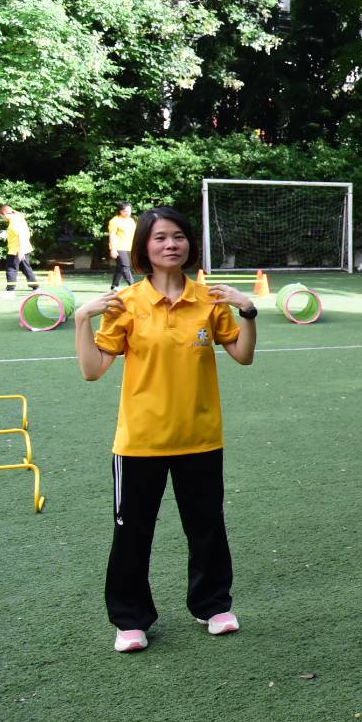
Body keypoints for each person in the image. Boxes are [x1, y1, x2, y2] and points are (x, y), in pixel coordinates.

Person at [73, 206, 257, 653]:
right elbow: (93, 370)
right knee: (132, 534)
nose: (171, 244)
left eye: (178, 236)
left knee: (207, 528)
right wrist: (82, 318)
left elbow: (243, 355)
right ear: (144, 247)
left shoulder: (209, 299)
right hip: (140, 442)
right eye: (160, 238)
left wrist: (248, 311)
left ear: (189, 243)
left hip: (200, 437)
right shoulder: (126, 303)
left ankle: (212, 606)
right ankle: (130, 620)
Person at [0, 203, 37, 292]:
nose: (2, 218)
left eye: (1, 216)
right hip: (25, 248)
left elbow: (21, 236)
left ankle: (10, 290)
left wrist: (21, 251)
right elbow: (12, 211)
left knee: (11, 269)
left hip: (16, 250)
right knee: (25, 268)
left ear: (4, 213)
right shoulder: (18, 217)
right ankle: (36, 287)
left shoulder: (14, 223)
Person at [107, 202, 137, 289]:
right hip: (119, 247)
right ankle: (133, 286)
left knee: (120, 267)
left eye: (129, 211)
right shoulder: (114, 221)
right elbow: (112, 235)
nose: (127, 213)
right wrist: (113, 249)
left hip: (130, 247)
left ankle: (114, 286)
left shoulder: (131, 221)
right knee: (125, 266)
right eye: (125, 211)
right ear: (120, 211)